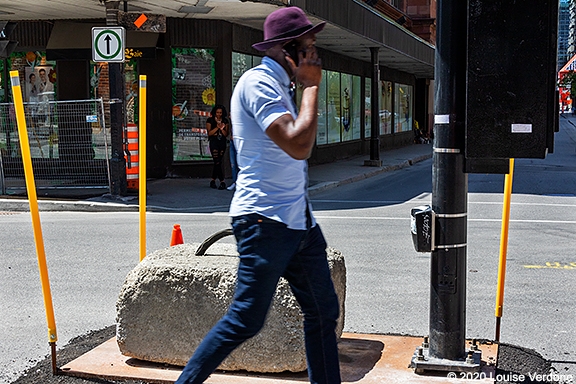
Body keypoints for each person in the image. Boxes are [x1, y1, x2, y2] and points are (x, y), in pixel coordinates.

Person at [176, 6, 341, 384]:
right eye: (309, 47)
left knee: (323, 311)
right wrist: (312, 86)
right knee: (245, 319)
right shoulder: (258, 83)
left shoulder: (282, 85)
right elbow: (298, 145)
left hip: (298, 221)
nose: (315, 55)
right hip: (264, 220)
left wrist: (304, 87)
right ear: (288, 50)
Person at [206, 104, 230, 189]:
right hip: (214, 142)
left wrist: (222, 128)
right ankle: (222, 181)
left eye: (220, 113)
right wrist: (217, 127)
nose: (219, 114)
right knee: (217, 161)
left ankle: (213, 180)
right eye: (217, 112)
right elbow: (209, 133)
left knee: (219, 161)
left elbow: (226, 134)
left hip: (222, 142)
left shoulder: (225, 121)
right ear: (214, 113)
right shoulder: (210, 120)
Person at [226, 125, 239, 190]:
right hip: (232, 142)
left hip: (239, 142)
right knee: (233, 164)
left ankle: (239, 183)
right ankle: (235, 182)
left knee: (239, 164)